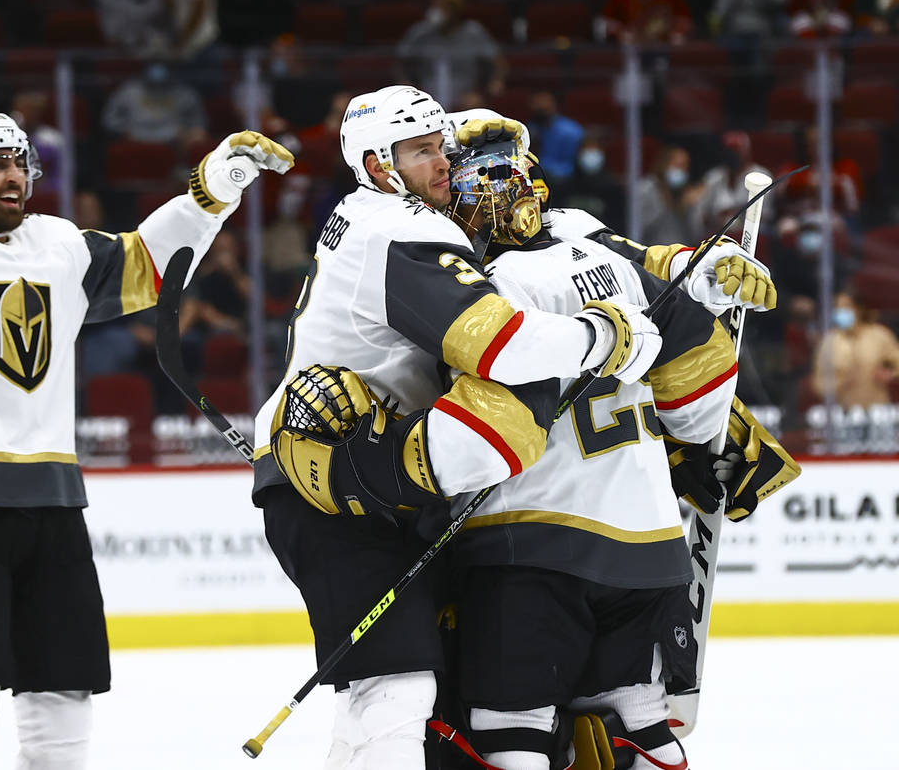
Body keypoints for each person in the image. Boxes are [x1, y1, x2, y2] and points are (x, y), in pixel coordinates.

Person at [0, 85, 293, 768]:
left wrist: (213, 188)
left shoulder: (58, 243)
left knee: (65, 688)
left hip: (50, 500)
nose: (14, 176)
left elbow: (149, 266)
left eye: (19, 161)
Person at [253, 85, 666, 769]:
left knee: (416, 685)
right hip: (332, 481)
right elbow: (501, 345)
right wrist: (604, 336)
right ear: (380, 164)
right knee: (396, 687)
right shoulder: (403, 229)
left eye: (441, 147)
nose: (443, 163)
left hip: (371, 473)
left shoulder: (368, 213)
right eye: (420, 152)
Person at [429, 117, 794, 770]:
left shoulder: (462, 271)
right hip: (646, 539)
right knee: (634, 719)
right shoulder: (580, 237)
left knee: (508, 727)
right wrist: (707, 268)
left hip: (530, 537)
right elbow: (659, 273)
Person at [397, 0, 503, 107]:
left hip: (464, 101)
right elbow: (400, 62)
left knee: (474, 104)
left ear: (455, 10)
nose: (435, 12)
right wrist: (406, 85)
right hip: (426, 101)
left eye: (442, 8)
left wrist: (489, 87)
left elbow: (499, 64)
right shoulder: (420, 33)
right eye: (433, 7)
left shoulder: (473, 32)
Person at [811, 289, 899, 409]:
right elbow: (818, 384)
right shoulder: (829, 342)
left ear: (859, 309)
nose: (841, 311)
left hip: (878, 411)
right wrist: (842, 382)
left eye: (846, 306)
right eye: (837, 307)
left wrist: (891, 374)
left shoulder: (880, 336)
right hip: (843, 412)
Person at [100, 61, 207, 144]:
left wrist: (190, 133)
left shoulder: (185, 93)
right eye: (154, 60)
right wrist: (124, 131)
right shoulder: (128, 91)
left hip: (173, 142)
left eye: (162, 61)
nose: (158, 67)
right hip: (134, 139)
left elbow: (198, 124)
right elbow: (110, 120)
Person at [526, 91, 584, 182]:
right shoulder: (529, 128)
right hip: (534, 177)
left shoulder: (570, 130)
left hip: (564, 179)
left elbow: (574, 162)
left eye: (545, 102)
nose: (541, 106)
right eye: (536, 103)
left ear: (554, 104)